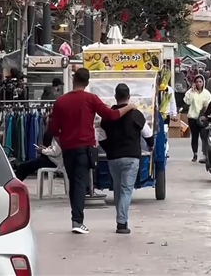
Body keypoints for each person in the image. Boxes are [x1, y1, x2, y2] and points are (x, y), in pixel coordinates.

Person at [49, 68, 138, 235]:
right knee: (81, 183)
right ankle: (77, 221)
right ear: (87, 82)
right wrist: (130, 107)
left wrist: (63, 144)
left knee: (73, 183)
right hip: (85, 148)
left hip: (68, 148)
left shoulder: (60, 101)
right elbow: (111, 115)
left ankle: (76, 218)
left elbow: (54, 130)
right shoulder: (91, 99)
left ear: (74, 79)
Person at [100, 83, 148, 235]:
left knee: (117, 189)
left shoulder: (107, 116)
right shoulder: (136, 114)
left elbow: (100, 137)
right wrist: (151, 146)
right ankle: (121, 223)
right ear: (129, 97)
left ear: (115, 97)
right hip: (132, 157)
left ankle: (122, 218)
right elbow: (147, 133)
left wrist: (109, 150)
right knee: (126, 190)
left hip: (113, 158)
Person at [183, 74, 211, 162]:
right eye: (197, 82)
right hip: (193, 117)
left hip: (203, 118)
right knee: (194, 136)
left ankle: (205, 154)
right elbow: (187, 102)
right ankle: (195, 154)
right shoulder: (190, 92)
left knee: (204, 136)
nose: (199, 84)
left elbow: (209, 104)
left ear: (203, 82)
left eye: (200, 82)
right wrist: (192, 91)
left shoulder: (207, 93)